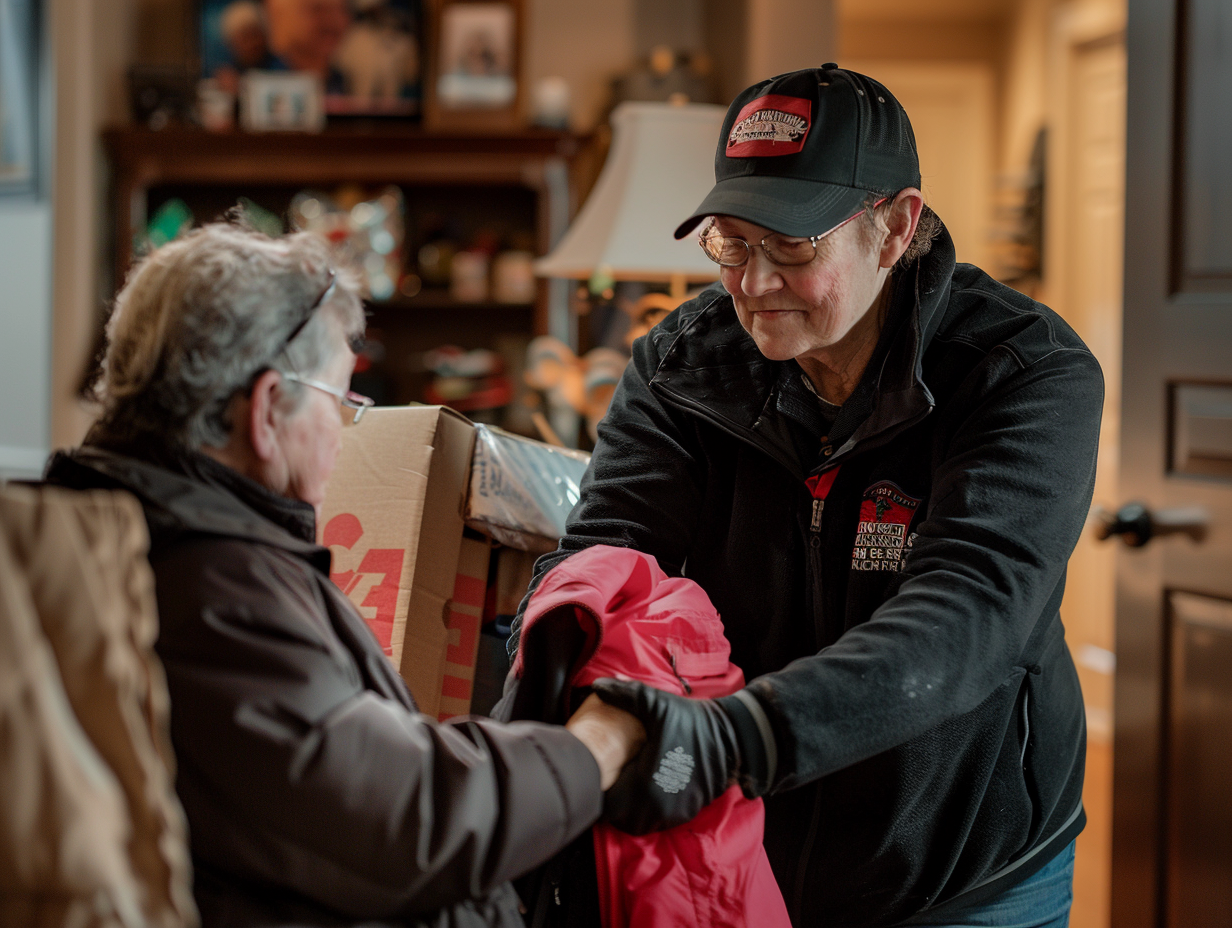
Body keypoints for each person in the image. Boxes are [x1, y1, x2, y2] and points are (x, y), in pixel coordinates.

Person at [509, 65, 1103, 927]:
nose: (752, 284)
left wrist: (733, 739)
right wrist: (545, 680)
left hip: (963, 867)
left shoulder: (1022, 372)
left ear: (895, 227)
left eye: (793, 247)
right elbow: (606, 558)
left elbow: (968, 614)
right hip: (747, 849)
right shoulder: (680, 367)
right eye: (730, 243)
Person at [45, 223, 644, 928]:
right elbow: (411, 820)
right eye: (340, 400)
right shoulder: (204, 584)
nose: (341, 428)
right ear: (268, 411)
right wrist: (598, 744)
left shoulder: (163, 539)